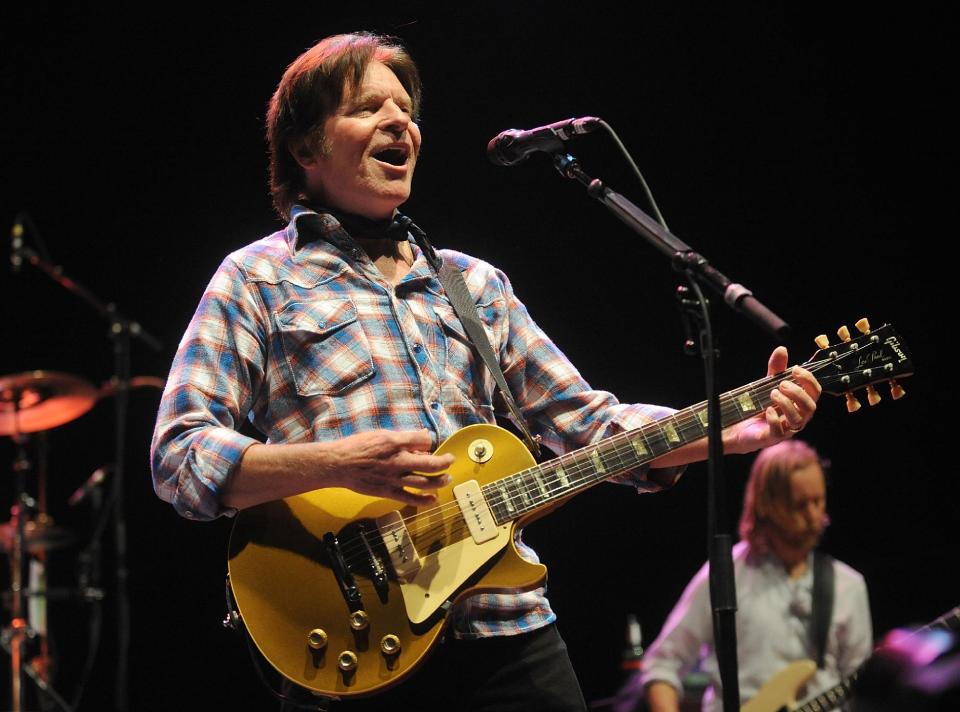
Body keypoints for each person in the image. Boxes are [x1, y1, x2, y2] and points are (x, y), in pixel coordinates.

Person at [149, 32, 821, 711]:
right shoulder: (257, 278)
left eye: (406, 108)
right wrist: (338, 463)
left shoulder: (473, 284)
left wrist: (728, 430)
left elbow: (590, 425)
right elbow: (180, 457)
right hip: (357, 641)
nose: (398, 122)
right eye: (366, 107)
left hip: (509, 630)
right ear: (304, 146)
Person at [638, 440, 872, 712]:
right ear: (767, 504)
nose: (813, 516)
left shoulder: (848, 585)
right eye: (799, 504)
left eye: (818, 501)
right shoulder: (726, 574)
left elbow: (862, 691)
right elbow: (662, 664)